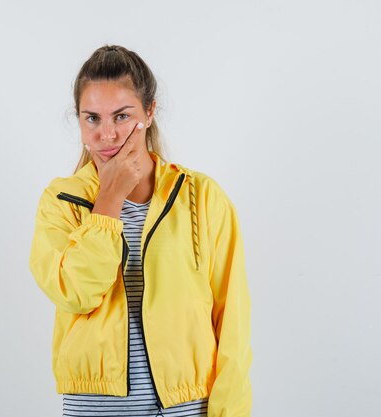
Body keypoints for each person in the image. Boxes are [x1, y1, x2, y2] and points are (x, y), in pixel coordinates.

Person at [28, 44, 253, 417]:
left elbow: (233, 324)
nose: (107, 134)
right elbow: (77, 292)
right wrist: (110, 198)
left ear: (149, 112)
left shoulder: (203, 198)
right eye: (92, 119)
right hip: (96, 409)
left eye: (121, 116)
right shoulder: (61, 201)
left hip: (188, 407)